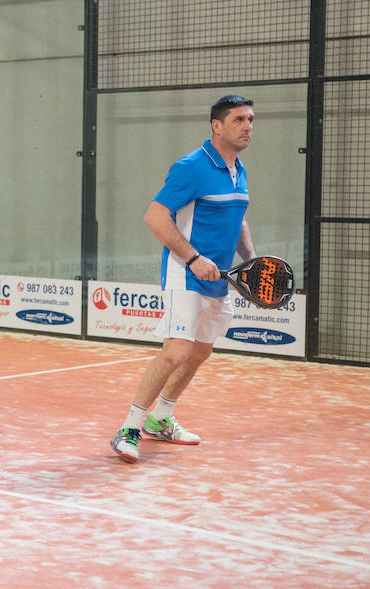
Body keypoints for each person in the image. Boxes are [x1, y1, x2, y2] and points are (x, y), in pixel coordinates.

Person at [110, 95, 258, 463]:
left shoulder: (238, 168)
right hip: (185, 272)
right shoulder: (191, 167)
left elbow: (237, 220)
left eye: (251, 119)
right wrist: (192, 258)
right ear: (217, 125)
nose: (248, 127)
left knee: (200, 351)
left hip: (220, 277)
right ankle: (128, 428)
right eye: (239, 119)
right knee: (177, 350)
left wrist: (252, 262)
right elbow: (155, 217)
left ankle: (161, 418)